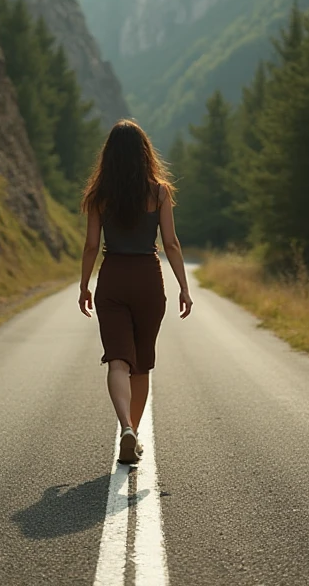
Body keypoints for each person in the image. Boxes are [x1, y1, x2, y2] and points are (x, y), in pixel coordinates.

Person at [79, 119, 193, 464]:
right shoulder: (159, 192)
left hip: (112, 277)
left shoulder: (99, 196)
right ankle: (133, 433)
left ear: (109, 156)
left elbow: (90, 245)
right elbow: (170, 243)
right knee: (141, 364)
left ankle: (125, 428)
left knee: (117, 360)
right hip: (148, 278)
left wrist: (84, 285)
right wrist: (184, 288)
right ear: (145, 153)